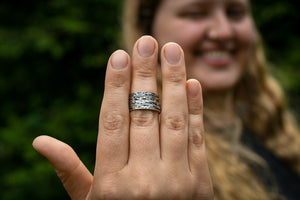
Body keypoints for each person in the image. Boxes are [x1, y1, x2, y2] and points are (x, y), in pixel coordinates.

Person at [32, 0, 300, 199]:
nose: (223, 31)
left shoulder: (282, 137)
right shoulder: (139, 166)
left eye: (235, 12)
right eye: (195, 13)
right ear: (148, 28)